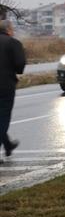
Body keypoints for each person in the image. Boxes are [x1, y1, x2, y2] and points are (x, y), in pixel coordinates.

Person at [0, 18, 25, 159]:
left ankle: (8, 145)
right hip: (5, 85)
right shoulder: (13, 43)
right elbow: (20, 64)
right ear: (9, 30)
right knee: (3, 118)